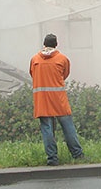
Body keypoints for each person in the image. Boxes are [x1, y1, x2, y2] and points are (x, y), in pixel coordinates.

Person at [29, 33, 84, 165]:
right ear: (56, 44)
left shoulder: (35, 60)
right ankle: (77, 155)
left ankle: (52, 159)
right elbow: (65, 74)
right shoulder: (62, 59)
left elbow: (32, 74)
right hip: (59, 99)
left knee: (47, 129)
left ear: (44, 44)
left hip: (42, 100)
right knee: (68, 127)